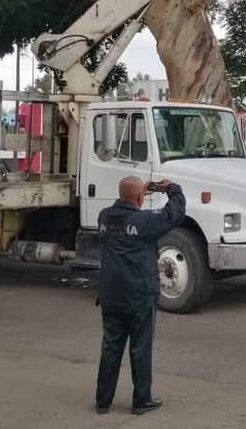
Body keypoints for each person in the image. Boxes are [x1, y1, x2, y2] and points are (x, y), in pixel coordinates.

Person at [95, 176, 186, 416]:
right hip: (138, 295)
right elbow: (174, 213)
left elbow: (125, 215)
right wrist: (171, 189)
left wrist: (136, 196)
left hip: (111, 295)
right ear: (139, 197)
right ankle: (141, 400)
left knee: (111, 347)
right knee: (140, 349)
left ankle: (103, 401)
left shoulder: (103, 217)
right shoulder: (143, 221)